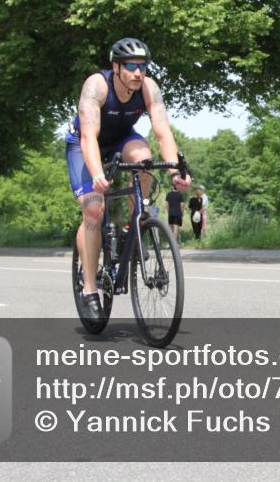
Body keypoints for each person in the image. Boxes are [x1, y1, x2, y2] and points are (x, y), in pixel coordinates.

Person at [65, 38, 192, 323]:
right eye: (131, 66)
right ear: (116, 67)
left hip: (122, 139)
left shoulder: (149, 88)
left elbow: (162, 132)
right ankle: (88, 289)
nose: (138, 73)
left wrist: (175, 172)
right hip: (85, 143)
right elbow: (88, 137)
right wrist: (97, 173)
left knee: (144, 158)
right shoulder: (96, 86)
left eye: (143, 66)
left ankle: (133, 227)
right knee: (94, 209)